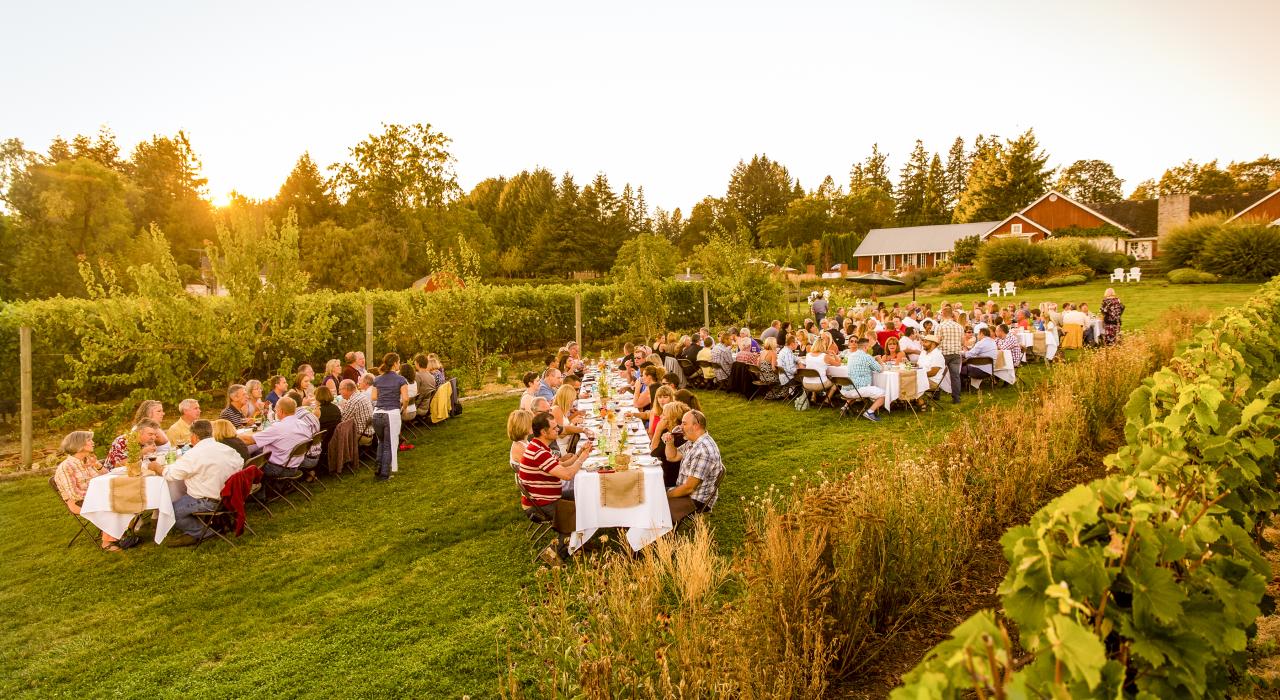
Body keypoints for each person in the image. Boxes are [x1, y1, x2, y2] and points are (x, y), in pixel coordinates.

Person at [147, 419, 243, 547]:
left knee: (169, 512)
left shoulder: (194, 454)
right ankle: (210, 526)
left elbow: (171, 474)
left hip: (209, 501)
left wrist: (157, 467)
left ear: (194, 437)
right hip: (231, 496)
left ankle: (203, 531)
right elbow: (241, 462)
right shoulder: (225, 448)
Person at [520, 411, 592, 564]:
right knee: (579, 510)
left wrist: (579, 453)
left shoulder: (539, 446)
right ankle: (555, 554)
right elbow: (566, 475)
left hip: (544, 496)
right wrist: (582, 459)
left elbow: (560, 465)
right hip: (540, 504)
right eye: (554, 428)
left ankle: (579, 542)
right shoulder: (539, 452)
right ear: (543, 432)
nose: (558, 430)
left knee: (585, 495)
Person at [53, 430, 121, 551]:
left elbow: (107, 476)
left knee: (125, 496)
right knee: (111, 503)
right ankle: (107, 543)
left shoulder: (87, 460)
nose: (93, 442)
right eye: (89, 440)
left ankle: (122, 531)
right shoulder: (66, 467)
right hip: (78, 502)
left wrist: (97, 465)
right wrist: (100, 496)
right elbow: (74, 494)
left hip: (95, 497)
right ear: (79, 445)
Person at [661, 409, 723, 514]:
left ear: (696, 426)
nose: (680, 427)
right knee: (651, 492)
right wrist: (669, 443)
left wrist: (665, 495)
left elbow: (689, 488)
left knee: (654, 503)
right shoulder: (693, 442)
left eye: (684, 423)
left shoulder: (703, 451)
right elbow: (672, 457)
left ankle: (659, 527)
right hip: (684, 491)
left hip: (695, 499)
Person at [240, 397, 316, 479]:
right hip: (294, 465)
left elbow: (249, 441)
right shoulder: (303, 424)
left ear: (281, 411)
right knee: (258, 451)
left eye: (276, 409)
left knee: (246, 460)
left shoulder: (278, 427)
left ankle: (255, 488)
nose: (275, 411)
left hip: (277, 469)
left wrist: (232, 433)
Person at [368, 353, 410, 479]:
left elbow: (374, 397)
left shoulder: (377, 379)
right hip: (391, 414)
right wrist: (404, 408)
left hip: (377, 414)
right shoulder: (400, 379)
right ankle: (384, 474)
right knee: (389, 444)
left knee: (381, 442)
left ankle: (378, 467)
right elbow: (406, 398)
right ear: (396, 363)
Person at [842, 337, 887, 421]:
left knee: (858, 387)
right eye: (869, 346)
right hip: (858, 390)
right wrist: (879, 360)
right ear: (865, 347)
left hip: (845, 390)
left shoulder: (851, 356)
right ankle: (870, 412)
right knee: (884, 394)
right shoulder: (867, 357)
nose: (870, 348)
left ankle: (845, 407)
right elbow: (880, 369)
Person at [650, 401, 690, 487]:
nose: (660, 416)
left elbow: (653, 453)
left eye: (663, 415)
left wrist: (658, 430)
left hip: (669, 482)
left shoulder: (677, 438)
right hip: (663, 475)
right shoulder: (670, 431)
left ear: (672, 418)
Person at [937, 307, 965, 405]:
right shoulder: (959, 326)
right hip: (956, 353)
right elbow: (962, 342)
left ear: (943, 314)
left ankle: (936, 394)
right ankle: (956, 398)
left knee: (938, 374)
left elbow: (936, 341)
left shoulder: (940, 326)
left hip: (943, 353)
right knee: (955, 376)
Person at [314, 385, 343, 476]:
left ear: (318, 397)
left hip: (323, 440)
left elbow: (313, 428)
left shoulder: (318, 411)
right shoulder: (336, 408)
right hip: (334, 438)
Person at [339, 378, 375, 443]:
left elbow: (342, 421)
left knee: (336, 434)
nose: (339, 392)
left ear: (346, 389)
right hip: (369, 431)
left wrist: (341, 408)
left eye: (340, 389)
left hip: (362, 435)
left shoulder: (353, 401)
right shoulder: (361, 395)